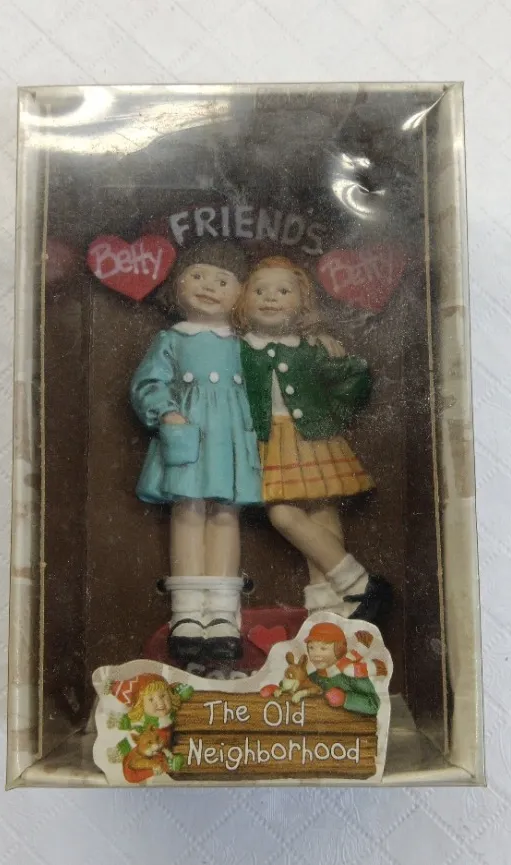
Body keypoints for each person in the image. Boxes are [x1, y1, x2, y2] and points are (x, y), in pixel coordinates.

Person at [237, 256, 391, 622]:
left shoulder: (312, 349)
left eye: (283, 291)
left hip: (313, 439)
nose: (270, 298)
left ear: (302, 304)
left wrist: (332, 416)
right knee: (283, 514)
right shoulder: (239, 349)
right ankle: (359, 582)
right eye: (260, 291)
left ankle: (328, 607)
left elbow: (356, 375)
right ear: (243, 301)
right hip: (268, 442)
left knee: (322, 511)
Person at [131, 242, 262, 662]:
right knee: (187, 511)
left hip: (231, 441)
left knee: (225, 514)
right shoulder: (171, 339)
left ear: (240, 294)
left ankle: (223, 612)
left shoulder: (245, 345)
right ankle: (187, 612)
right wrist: (165, 412)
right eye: (199, 276)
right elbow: (149, 382)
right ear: (178, 284)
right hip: (188, 434)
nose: (209, 287)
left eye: (223, 281)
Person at [305, 622, 387, 715]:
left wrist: (346, 699)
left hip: (353, 722)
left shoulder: (352, 676)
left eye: (323, 648)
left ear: (339, 649)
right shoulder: (313, 677)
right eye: (311, 648)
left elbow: (374, 704)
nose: (316, 654)